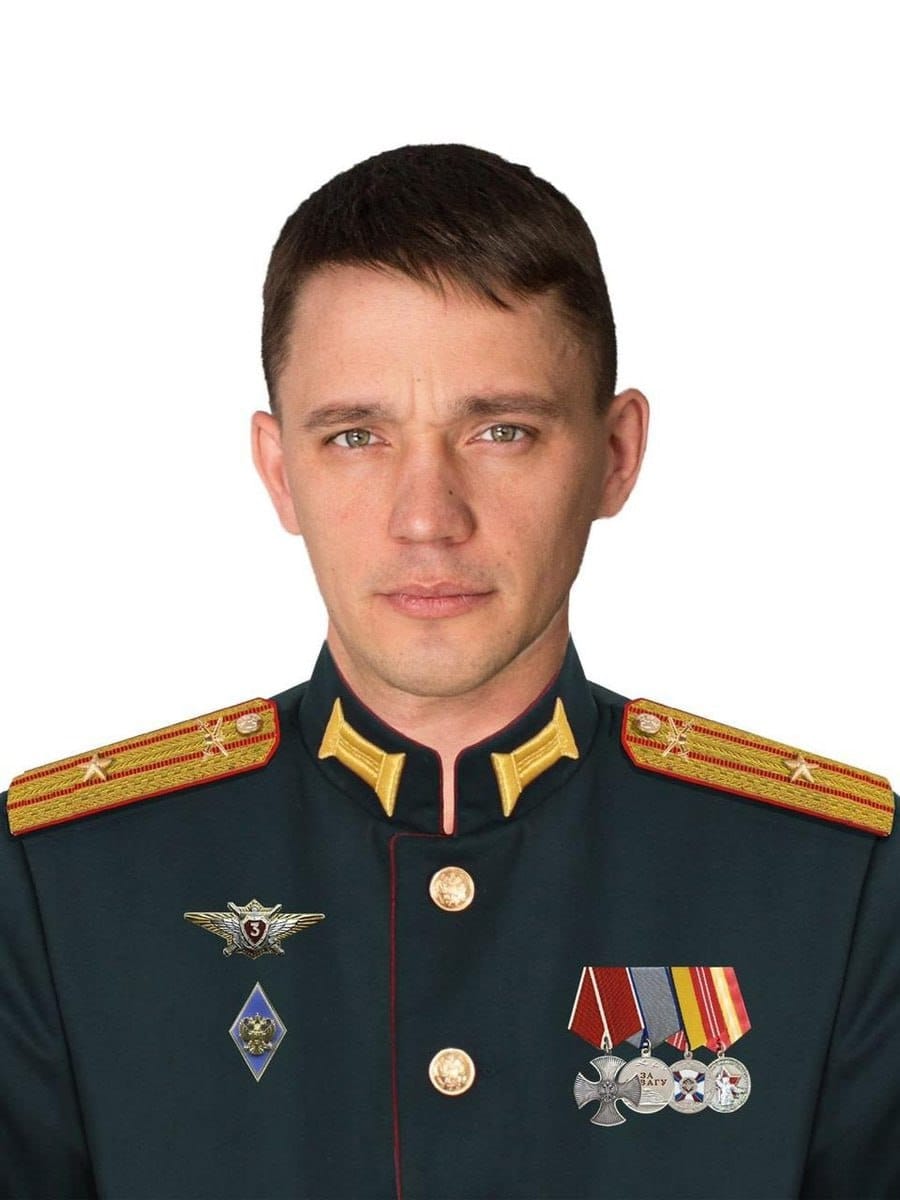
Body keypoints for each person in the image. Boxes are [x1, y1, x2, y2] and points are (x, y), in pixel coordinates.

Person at [1, 143, 897, 1200]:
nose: (427, 519)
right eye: (355, 437)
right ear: (279, 471)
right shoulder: (61, 888)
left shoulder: (834, 887)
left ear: (615, 455)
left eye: (501, 430)